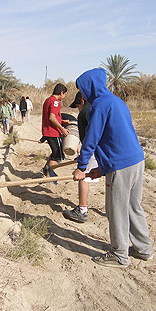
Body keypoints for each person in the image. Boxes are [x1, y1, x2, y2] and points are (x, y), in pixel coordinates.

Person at [72, 68, 153, 268]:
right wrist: (103, 169)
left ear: (89, 87)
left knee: (115, 208)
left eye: (82, 89)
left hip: (121, 165)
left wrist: (82, 167)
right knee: (133, 206)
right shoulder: (117, 102)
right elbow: (115, 137)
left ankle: (119, 254)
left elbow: (92, 139)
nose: (82, 94)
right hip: (136, 160)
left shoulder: (99, 105)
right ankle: (144, 249)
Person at [62, 91, 99, 223]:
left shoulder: (85, 113)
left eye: (78, 106)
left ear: (82, 101)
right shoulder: (98, 108)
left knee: (83, 177)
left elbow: (87, 140)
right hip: (102, 150)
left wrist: (82, 160)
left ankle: (82, 211)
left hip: (92, 149)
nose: (78, 109)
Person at [41, 83, 69, 177]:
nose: (64, 97)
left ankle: (45, 170)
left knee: (54, 153)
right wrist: (62, 129)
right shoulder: (56, 102)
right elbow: (51, 118)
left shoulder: (48, 100)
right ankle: (49, 176)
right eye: (64, 94)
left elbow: (52, 116)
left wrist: (62, 120)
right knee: (58, 156)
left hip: (47, 131)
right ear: (61, 93)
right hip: (53, 132)